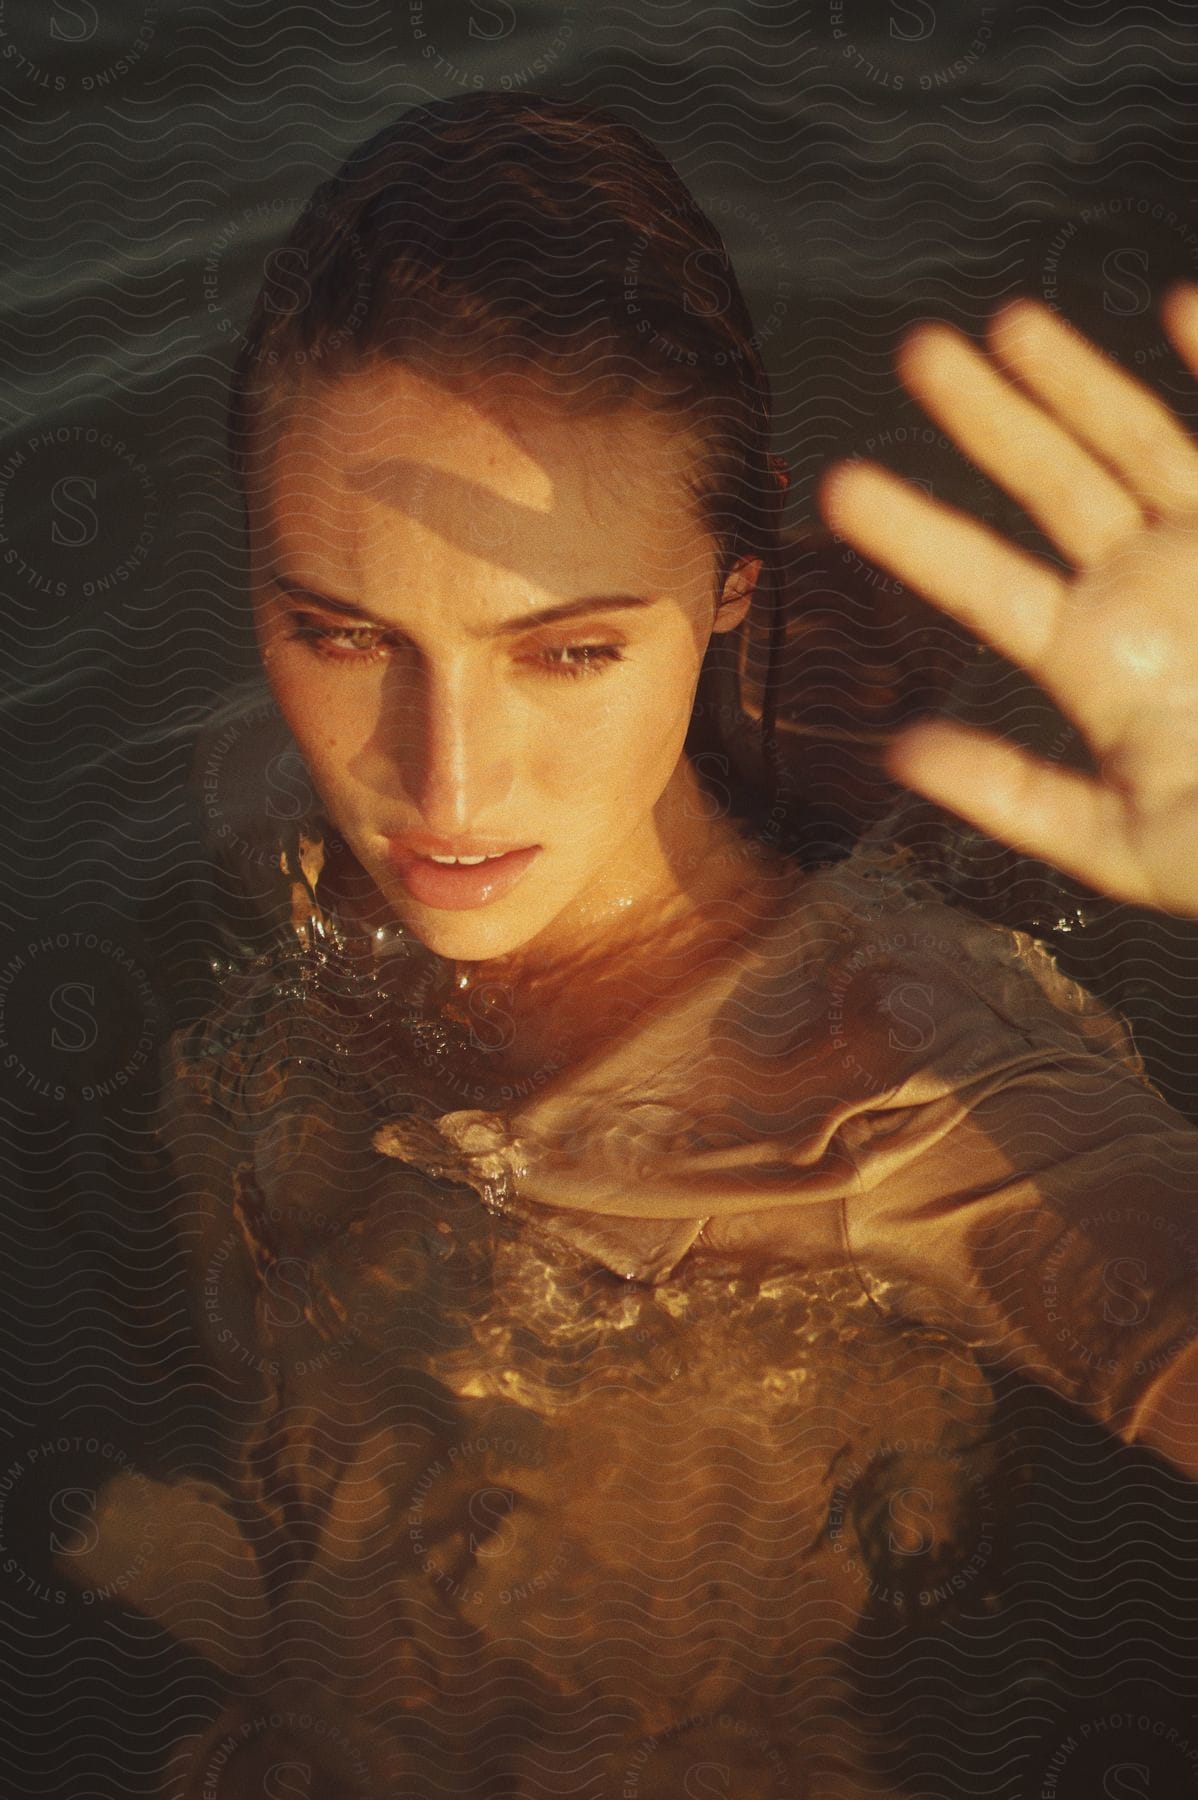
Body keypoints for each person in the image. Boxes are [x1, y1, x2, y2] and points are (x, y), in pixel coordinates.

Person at [64, 92, 1198, 1798]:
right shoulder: (260, 791)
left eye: (569, 652)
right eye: (339, 630)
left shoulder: (890, 1101)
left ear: (734, 584)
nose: (440, 784)